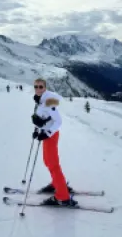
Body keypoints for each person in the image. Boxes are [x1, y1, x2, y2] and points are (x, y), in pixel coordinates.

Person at [31, 78, 78, 206]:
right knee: (48, 162)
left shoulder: (47, 101)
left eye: (41, 87)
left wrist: (46, 133)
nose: (38, 89)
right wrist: (37, 130)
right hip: (46, 135)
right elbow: (42, 119)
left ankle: (62, 196)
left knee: (53, 164)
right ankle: (56, 184)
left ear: (45, 88)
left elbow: (58, 121)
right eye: (36, 86)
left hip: (50, 136)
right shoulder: (39, 100)